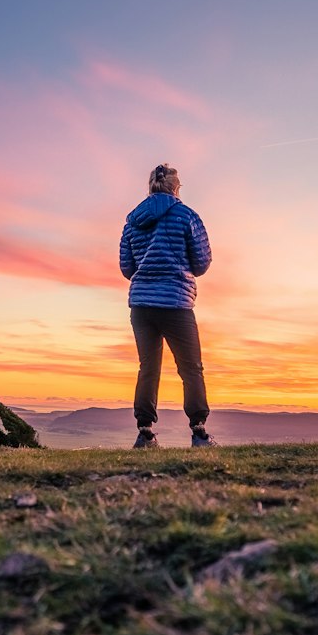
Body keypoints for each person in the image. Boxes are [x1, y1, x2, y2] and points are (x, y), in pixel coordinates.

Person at [119, 163, 214, 448]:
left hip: (141, 305)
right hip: (176, 302)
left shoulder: (133, 221)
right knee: (190, 368)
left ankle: (145, 432)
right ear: (176, 188)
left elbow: (127, 267)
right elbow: (202, 262)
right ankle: (199, 432)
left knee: (148, 367)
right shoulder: (187, 216)